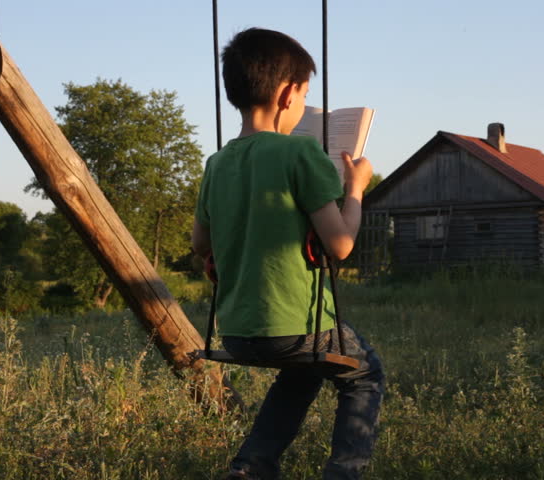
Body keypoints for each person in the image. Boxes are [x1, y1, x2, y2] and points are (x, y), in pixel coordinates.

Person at [190, 28, 385, 480]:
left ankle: (251, 468)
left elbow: (201, 244)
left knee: (303, 373)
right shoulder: (300, 151)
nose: (303, 104)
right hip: (297, 329)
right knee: (365, 374)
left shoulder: (217, 163)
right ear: (287, 95)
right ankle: (343, 474)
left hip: (236, 332)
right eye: (305, 95)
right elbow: (340, 245)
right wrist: (355, 189)